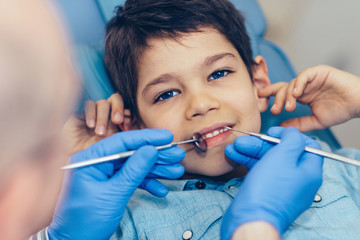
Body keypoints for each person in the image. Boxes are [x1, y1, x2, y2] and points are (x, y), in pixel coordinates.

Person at [0, 0, 324, 240]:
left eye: (219, 73)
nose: (200, 104)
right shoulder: (125, 220)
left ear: (259, 82)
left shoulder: (334, 168)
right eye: (166, 94)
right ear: (137, 125)